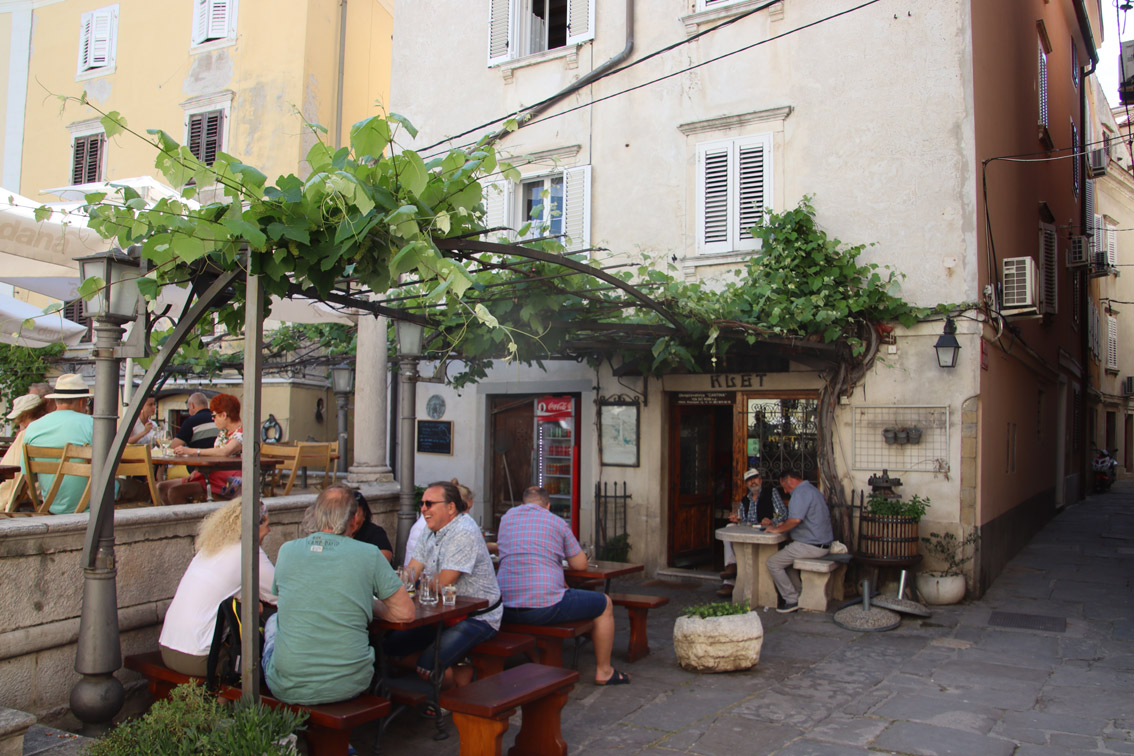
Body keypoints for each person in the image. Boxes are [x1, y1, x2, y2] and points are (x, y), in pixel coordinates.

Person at [264, 485, 413, 705]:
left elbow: (280, 596)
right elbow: (405, 612)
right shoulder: (368, 554)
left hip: (288, 685)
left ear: (314, 515)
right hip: (350, 681)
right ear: (354, 519)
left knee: (273, 622)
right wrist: (364, 602)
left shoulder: (287, 550)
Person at [498, 486, 629, 686]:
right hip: (543, 607)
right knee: (604, 603)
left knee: (552, 597)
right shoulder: (556, 522)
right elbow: (580, 564)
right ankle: (604, 671)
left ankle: (538, 659)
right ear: (548, 505)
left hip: (504, 607)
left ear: (522, 503)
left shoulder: (506, 519)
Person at [385, 481, 501, 690]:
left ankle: (453, 692)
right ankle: (456, 671)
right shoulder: (429, 529)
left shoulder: (464, 530)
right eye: (422, 504)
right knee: (389, 647)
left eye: (429, 504)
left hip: (477, 616)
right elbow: (411, 573)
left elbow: (443, 583)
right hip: (442, 614)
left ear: (451, 507)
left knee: (428, 665)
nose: (423, 509)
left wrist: (417, 583)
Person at [158, 498, 276, 676]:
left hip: (167, 649)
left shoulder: (209, 548)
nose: (269, 530)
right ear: (257, 525)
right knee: (264, 657)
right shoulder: (249, 551)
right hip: (200, 658)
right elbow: (280, 595)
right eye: (267, 525)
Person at [21, 374, 94, 514]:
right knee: (136, 488)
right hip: (88, 506)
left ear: (56, 401)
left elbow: (26, 474)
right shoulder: (93, 424)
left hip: (49, 506)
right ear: (82, 401)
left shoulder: (33, 427)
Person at [764, 471, 835, 614]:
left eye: (784, 487)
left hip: (811, 545)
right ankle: (799, 595)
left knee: (773, 563)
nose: (785, 491)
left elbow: (795, 520)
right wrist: (784, 525)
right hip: (821, 543)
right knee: (787, 564)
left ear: (790, 479)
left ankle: (791, 600)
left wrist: (777, 530)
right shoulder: (812, 490)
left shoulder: (800, 492)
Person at [159, 394, 243, 505]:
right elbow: (215, 455)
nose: (212, 419)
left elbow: (225, 452)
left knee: (174, 492)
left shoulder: (242, 433)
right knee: (162, 487)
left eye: (214, 416)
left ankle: (192, 516)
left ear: (223, 415)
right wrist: (198, 469)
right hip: (212, 474)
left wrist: (192, 451)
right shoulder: (223, 432)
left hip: (228, 479)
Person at [718, 469, 788, 597]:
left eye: (755, 479)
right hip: (750, 534)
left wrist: (772, 520)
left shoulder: (771, 493)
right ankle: (731, 569)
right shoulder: (745, 500)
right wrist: (737, 520)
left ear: (760, 480)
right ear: (746, 484)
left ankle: (730, 581)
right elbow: (744, 522)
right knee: (729, 527)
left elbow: (782, 513)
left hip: (766, 533)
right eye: (749, 480)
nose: (753, 482)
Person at [0, 394, 48, 506]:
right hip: (50, 491)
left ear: (25, 416)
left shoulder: (26, 435)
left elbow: (14, 466)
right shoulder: (48, 429)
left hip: (36, 492)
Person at [351, 489, 394, 563]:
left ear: (364, 514)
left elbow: (384, 560)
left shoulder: (375, 533)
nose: (351, 520)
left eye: (356, 514)